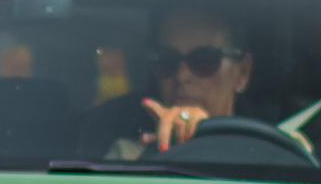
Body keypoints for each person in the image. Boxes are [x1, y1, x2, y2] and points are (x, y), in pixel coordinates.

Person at [97, 9, 252, 158]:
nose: (181, 76)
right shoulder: (128, 159)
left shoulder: (266, 159)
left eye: (203, 61)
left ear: (242, 72)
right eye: (168, 61)